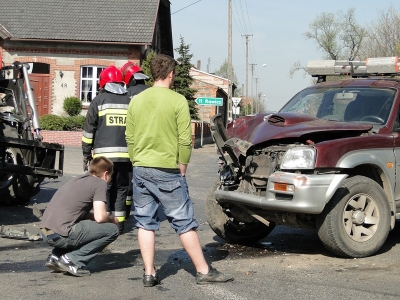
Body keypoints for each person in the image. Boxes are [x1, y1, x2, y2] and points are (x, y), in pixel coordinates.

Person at [125, 54, 234, 286]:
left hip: (141, 168)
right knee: (183, 222)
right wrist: (182, 166)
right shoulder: (177, 101)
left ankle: (149, 273)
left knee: (145, 222)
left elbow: (130, 138)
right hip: (167, 170)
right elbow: (185, 140)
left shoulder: (136, 100)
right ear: (171, 74)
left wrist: (137, 161)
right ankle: (203, 271)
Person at [40, 156, 119, 277]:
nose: (110, 179)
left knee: (80, 224)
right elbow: (100, 217)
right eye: (111, 176)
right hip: (61, 235)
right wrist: (112, 219)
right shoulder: (100, 183)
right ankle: (73, 260)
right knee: (112, 230)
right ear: (105, 174)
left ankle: (56, 256)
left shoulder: (79, 180)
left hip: (46, 232)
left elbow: (80, 213)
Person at [82, 65, 131, 234]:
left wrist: (86, 152)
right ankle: (120, 225)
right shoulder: (129, 101)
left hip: (104, 158)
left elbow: (89, 131)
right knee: (121, 189)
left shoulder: (98, 101)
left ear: (103, 82)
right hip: (126, 157)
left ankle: (106, 225)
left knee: (104, 190)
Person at [120, 62, 150, 219]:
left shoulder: (126, 93)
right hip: (150, 142)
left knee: (128, 179)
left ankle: (124, 212)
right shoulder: (152, 92)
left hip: (131, 142)